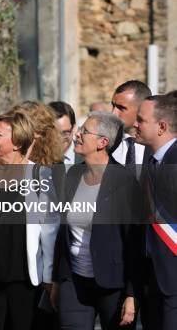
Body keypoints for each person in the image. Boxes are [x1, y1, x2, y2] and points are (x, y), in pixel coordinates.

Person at [0, 111, 60, 330]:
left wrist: (49, 276)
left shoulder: (40, 175)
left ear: (18, 142)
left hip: (25, 276)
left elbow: (49, 230)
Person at [50, 112, 141, 329]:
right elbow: (62, 232)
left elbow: (135, 243)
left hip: (113, 284)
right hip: (73, 281)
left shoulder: (125, 182)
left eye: (84, 131)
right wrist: (56, 279)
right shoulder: (73, 175)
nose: (77, 135)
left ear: (103, 142)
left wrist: (131, 294)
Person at [133, 94, 177, 330]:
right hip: (156, 278)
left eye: (141, 120)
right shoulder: (153, 161)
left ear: (162, 126)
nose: (135, 124)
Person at [110, 80, 152, 171]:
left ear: (141, 109)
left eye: (121, 108)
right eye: (113, 106)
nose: (113, 113)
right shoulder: (105, 144)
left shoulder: (158, 146)